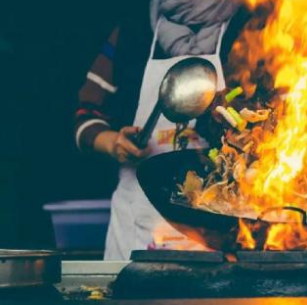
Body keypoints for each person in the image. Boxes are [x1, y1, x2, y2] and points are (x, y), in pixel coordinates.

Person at [75, 0, 240, 260]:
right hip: (135, 225)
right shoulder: (135, 28)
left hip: (216, 233)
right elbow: (85, 113)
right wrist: (112, 142)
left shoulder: (249, 28)